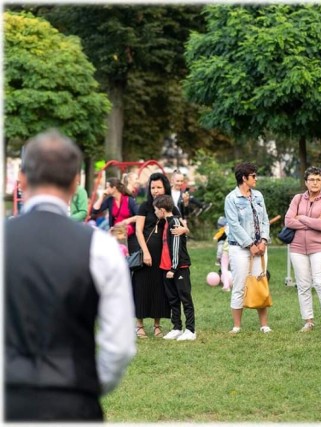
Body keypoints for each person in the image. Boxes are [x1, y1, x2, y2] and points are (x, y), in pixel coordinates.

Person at [5, 130, 136, 421]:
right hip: (73, 400)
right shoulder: (101, 247)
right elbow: (119, 346)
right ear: (76, 181)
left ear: (22, 180)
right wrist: (84, 385)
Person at [133, 172, 188, 338]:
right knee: (141, 288)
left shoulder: (171, 207)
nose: (155, 190)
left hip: (164, 257)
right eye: (152, 187)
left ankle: (157, 325)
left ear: (165, 187)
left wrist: (185, 229)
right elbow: (138, 231)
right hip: (146, 254)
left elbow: (182, 226)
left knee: (159, 289)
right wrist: (146, 253)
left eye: (158, 187)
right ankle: (139, 325)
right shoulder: (144, 206)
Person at [284, 166, 321, 333]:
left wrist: (302, 218)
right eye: (311, 179)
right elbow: (288, 221)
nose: (315, 182)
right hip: (297, 248)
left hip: (319, 247)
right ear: (306, 182)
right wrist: (312, 221)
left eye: (318, 179)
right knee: (303, 285)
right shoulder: (297, 199)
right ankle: (308, 321)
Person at [224, 163, 272, 334]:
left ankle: (264, 325)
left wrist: (264, 241)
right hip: (240, 248)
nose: (256, 178)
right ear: (244, 178)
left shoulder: (258, 195)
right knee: (240, 284)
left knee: (260, 282)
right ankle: (237, 326)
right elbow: (234, 225)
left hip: (260, 247)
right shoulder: (232, 199)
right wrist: (250, 245)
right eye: (253, 175)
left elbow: (265, 219)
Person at [153, 195, 196, 341]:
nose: (155, 213)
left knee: (185, 298)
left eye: (156, 210)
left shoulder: (175, 223)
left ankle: (190, 330)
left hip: (178, 268)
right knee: (173, 299)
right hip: (166, 268)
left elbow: (176, 247)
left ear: (163, 210)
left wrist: (173, 268)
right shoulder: (165, 222)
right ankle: (177, 327)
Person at [92, 177, 139, 252]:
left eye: (107, 187)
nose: (106, 189)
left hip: (128, 235)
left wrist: (128, 220)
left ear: (114, 188)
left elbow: (139, 216)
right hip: (115, 234)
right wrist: (102, 196)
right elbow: (95, 210)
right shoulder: (110, 201)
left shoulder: (129, 200)